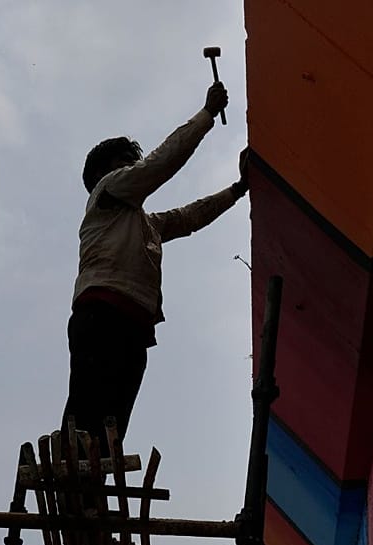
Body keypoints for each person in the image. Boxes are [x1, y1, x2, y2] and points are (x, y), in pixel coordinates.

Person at [64, 81, 247, 456]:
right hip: (102, 313)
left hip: (132, 322)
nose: (133, 168)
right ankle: (77, 482)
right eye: (125, 164)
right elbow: (160, 164)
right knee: (90, 414)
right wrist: (207, 114)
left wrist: (238, 189)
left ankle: (87, 491)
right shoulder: (107, 192)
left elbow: (189, 217)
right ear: (106, 173)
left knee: (111, 422)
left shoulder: (142, 222)